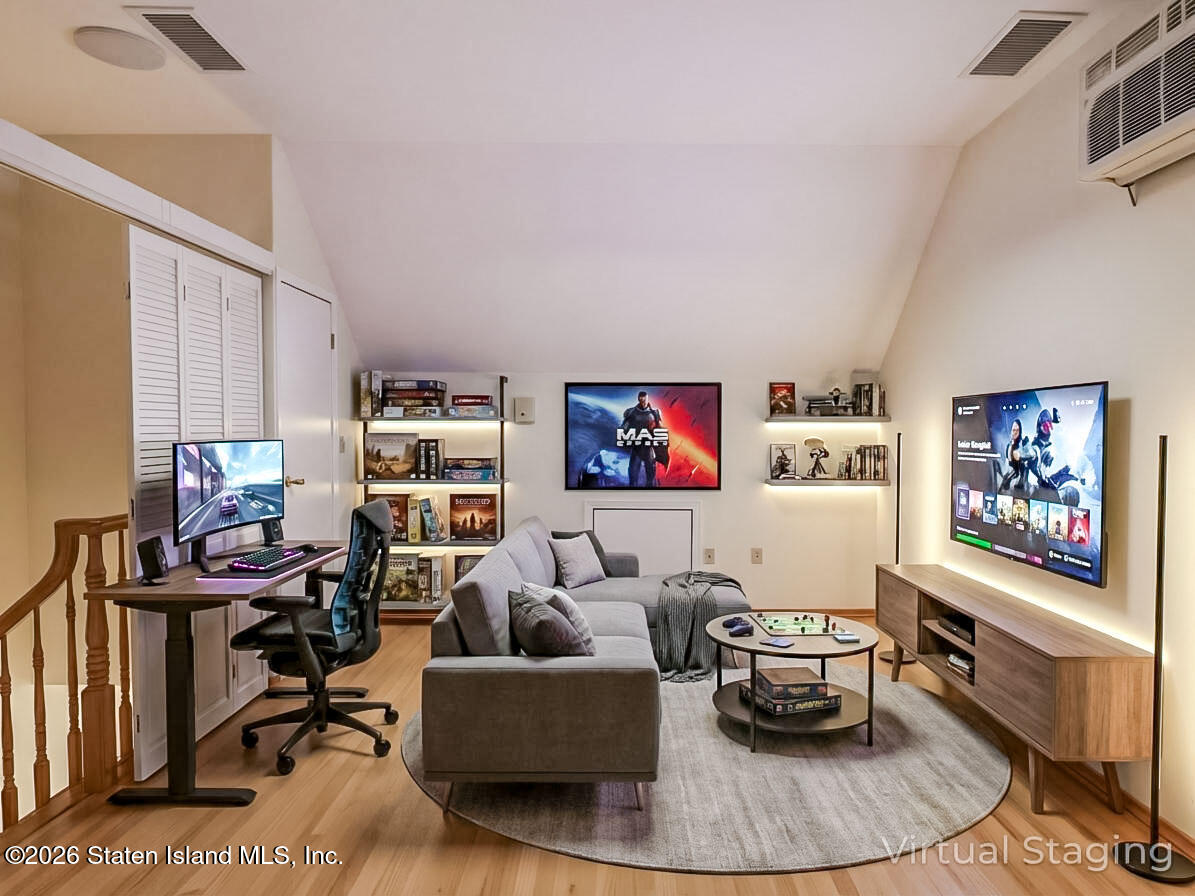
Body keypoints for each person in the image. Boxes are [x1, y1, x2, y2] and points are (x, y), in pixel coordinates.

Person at [622, 391, 662, 487]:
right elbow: (624, 428)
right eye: (641, 400)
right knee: (633, 477)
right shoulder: (630, 412)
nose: (643, 402)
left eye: (645, 400)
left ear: (647, 399)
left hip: (649, 449)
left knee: (650, 479)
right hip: (636, 448)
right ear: (639, 399)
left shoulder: (655, 413)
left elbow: (660, 430)